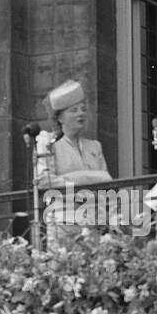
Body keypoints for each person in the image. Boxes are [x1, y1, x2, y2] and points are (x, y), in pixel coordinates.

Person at [35, 80, 112, 243]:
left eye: (83, 109)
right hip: (63, 222)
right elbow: (44, 181)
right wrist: (87, 180)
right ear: (60, 117)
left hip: (93, 223)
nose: (81, 114)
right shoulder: (49, 145)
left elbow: (106, 183)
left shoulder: (94, 147)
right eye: (74, 110)